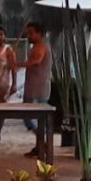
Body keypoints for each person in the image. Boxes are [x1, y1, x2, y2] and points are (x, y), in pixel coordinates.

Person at [15, 21, 53, 157]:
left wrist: (16, 64)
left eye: (31, 33)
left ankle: (42, 143)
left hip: (38, 90)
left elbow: (36, 61)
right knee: (33, 118)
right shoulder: (37, 46)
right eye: (27, 33)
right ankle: (40, 146)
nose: (28, 36)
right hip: (32, 88)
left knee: (30, 117)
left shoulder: (41, 46)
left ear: (39, 33)